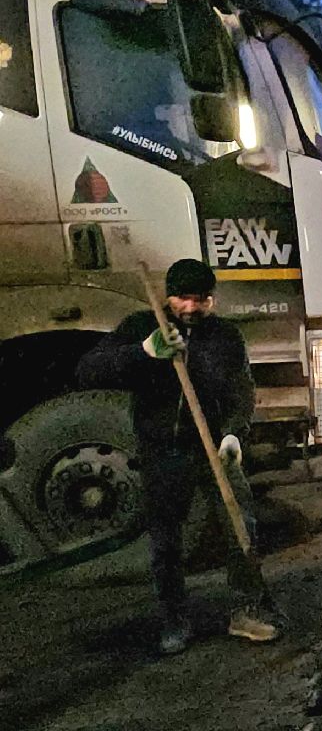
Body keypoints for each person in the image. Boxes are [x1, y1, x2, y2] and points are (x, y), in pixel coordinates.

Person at [76, 259, 280, 654]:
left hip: (214, 449)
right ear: (169, 297)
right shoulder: (141, 326)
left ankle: (246, 609)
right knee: (167, 540)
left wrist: (235, 433)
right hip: (163, 451)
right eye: (183, 298)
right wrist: (143, 352)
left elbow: (241, 390)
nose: (191, 307)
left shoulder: (225, 337)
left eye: (200, 299)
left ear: (212, 299)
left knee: (241, 525)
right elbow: (88, 371)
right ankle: (175, 619)